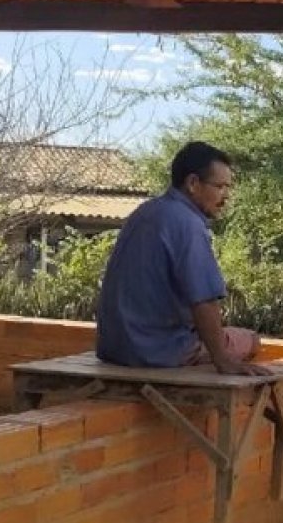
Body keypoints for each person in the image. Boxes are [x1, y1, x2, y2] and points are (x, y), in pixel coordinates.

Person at [95, 141, 269, 376]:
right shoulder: (188, 223)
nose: (225, 197)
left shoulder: (144, 211)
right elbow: (204, 300)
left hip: (114, 348)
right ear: (193, 183)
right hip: (158, 351)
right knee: (251, 341)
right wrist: (223, 360)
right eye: (220, 187)